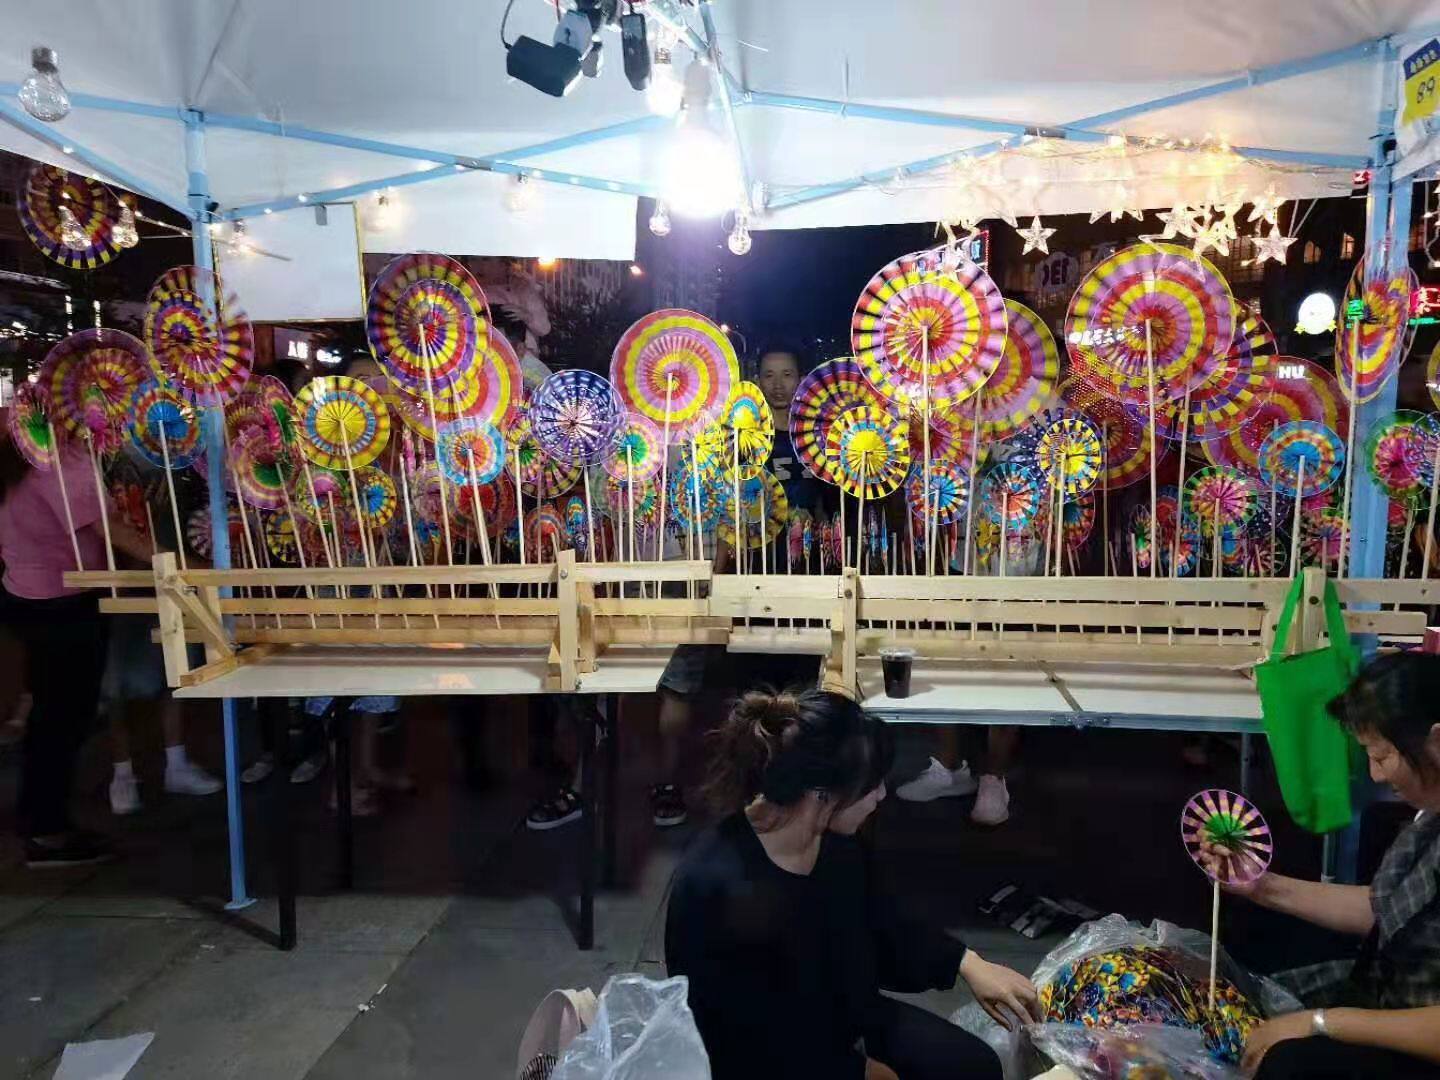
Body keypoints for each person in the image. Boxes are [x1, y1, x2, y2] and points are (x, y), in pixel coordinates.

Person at [665, 688, 1039, 1079]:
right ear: (821, 795)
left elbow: (880, 925)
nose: (881, 794)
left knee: (975, 1068)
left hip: (843, 1015)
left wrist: (966, 962)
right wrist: (855, 1070)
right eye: (871, 784)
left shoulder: (835, 842)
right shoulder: (714, 884)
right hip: (765, 1058)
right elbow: (732, 1033)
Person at [1202, 652, 1440, 1078]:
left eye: (1382, 756)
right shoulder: (1430, 816)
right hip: (1387, 990)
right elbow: (1389, 910)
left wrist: (1319, 1023)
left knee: (1288, 1063)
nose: (1376, 774)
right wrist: (1262, 886)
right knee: (1244, 965)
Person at [650, 344, 826, 830]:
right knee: (753, 687)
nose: (778, 384)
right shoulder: (741, 440)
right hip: (751, 573)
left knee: (801, 686)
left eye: (787, 374)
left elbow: (828, 506)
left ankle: (795, 784)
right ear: (756, 380)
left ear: (800, 379)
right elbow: (728, 510)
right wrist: (720, 572)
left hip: (804, 574)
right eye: (768, 375)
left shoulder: (815, 439)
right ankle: (753, 785)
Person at [0, 433, 154, 867]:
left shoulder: (23, 447)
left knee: (51, 717)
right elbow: (110, 526)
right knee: (63, 720)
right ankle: (45, 830)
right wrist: (179, 565)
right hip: (62, 601)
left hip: (25, 593)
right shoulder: (58, 458)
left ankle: (42, 822)